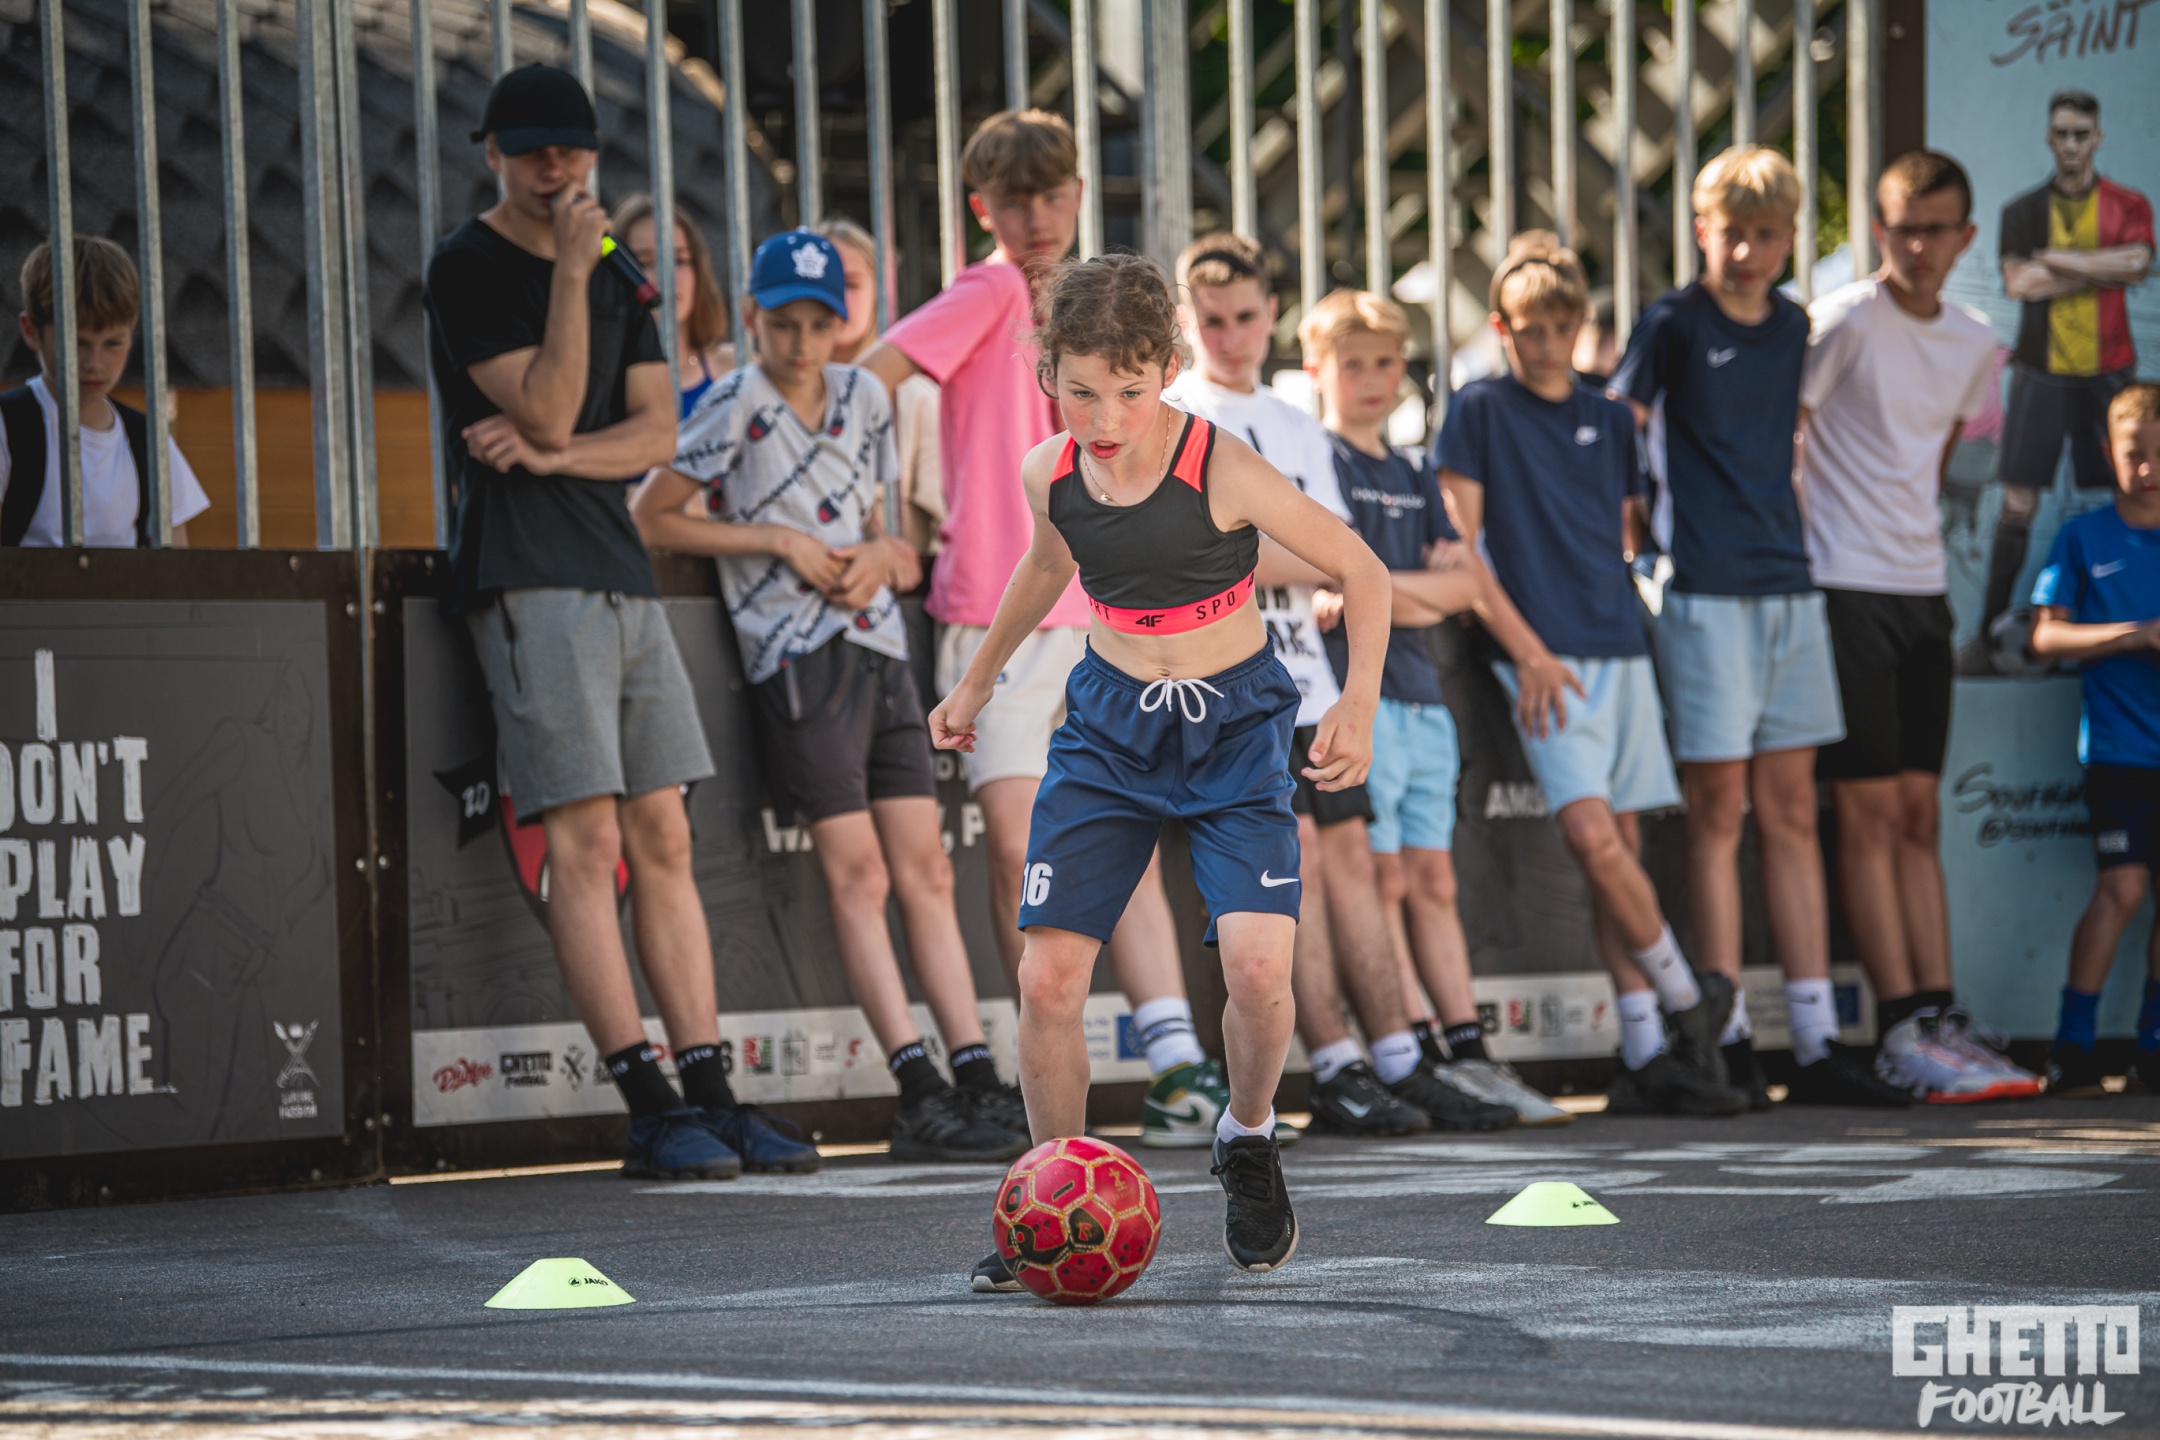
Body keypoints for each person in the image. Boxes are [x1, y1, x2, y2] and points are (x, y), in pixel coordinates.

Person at [931, 253, 1392, 1281]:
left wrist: (1356, 703)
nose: (1105, 418)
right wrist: (975, 683)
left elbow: (1361, 568)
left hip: (1233, 725)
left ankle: (1247, 1136)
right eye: (1081, 391)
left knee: (1258, 971)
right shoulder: (1047, 472)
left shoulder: (1218, 464)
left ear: (1168, 371)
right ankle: (1047, 1193)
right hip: (1109, 727)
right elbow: (1047, 563)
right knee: (1048, 979)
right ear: (1047, 374)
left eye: (1129, 392)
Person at [424, 64, 814, 1181]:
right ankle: (647, 1105)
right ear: (493, 153)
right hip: (525, 574)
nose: (557, 169)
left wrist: (554, 458)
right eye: (534, 151)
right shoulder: (468, 264)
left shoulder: (616, 266)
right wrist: (565, 279)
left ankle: (712, 1095)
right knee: (586, 843)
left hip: (615, 566)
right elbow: (547, 401)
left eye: (573, 149)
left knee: (666, 838)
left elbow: (655, 435)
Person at [854, 111, 1247, 1160]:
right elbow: (870, 378)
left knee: (1120, 837)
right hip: (998, 609)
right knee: (1024, 849)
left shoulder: (1092, 307)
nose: (1036, 217)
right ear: (980, 207)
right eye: (1014, 199)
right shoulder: (987, 291)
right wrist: (874, 521)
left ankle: (1178, 1065)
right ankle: (1067, 1084)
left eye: (1054, 194)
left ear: (1079, 195)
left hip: (1107, 609)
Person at [631, 229, 1028, 1162]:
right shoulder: (733, 401)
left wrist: (883, 558)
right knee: (860, 875)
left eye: (820, 321)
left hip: (879, 648)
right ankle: (916, 1087)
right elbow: (652, 513)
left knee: (929, 869)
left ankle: (975, 1074)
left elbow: (890, 534)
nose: (802, 341)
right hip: (794, 658)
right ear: (752, 318)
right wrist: (775, 540)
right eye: (783, 323)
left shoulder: (864, 395)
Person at [1435, 233, 1749, 1116]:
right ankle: (1690, 1001)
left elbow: (1621, 536)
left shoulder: (1611, 418)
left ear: (1583, 326)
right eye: (1529, 328)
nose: (1547, 344)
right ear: (1501, 328)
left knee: (1625, 853)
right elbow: (1461, 549)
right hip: (1541, 661)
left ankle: (1647, 1053)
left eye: (1562, 326)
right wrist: (1529, 653)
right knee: (1592, 839)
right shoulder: (1477, 409)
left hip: (1622, 647)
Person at [1164, 233, 1430, 1137]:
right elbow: (1223, 552)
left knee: (1353, 861)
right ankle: (1338, 1067)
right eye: (1212, 320)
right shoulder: (1175, 414)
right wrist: (1299, 555)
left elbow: (1337, 556)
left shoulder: (1296, 423)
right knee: (1301, 864)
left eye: (1246, 316)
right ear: (1186, 319)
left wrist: (1284, 551)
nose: (1231, 335)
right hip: (1229, 684)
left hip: (1313, 681)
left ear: (1272, 315)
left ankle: (1399, 1058)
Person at [1798, 152, 2035, 1105]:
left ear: (1966, 238)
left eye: (1937, 230)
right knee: (1864, 814)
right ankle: (1901, 1028)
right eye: (1903, 228)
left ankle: (1940, 1015)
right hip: (1841, 587)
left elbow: (1934, 461)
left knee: (1917, 813)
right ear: (1879, 228)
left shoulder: (1974, 339)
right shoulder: (1844, 320)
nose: (1919, 246)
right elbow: (1788, 434)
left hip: (1922, 592)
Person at [1608, 145, 1840, 1109]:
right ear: (1701, 230)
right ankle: (1728, 1033)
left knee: (1792, 815)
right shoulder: (1671, 320)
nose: (1747, 251)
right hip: (1700, 590)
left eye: (1767, 234)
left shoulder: (1796, 324)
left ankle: (1818, 1040)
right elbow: (1619, 429)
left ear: (1791, 238)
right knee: (1718, 817)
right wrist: (1632, 548)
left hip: (1792, 584)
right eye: (1730, 232)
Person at [1299, 287, 1524, 1131]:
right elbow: (1322, 585)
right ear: (1316, 368)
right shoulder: (1319, 460)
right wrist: (1414, 590)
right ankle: (1413, 1047)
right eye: (1351, 363)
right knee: (1382, 878)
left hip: (1426, 700)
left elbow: (1465, 588)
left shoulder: (1416, 470)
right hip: (1362, 702)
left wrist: (1371, 588)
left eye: (1385, 362)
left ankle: (1467, 1047)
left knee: (1432, 877)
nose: (1371, 378)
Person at [1964, 90, 2154, 675]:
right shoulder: (2023, 209)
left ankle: (2121, 628)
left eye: (2081, 134)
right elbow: (2020, 284)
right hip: (2040, 371)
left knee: (2126, 497)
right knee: (2018, 502)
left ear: (2097, 138)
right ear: (2049, 138)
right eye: (2062, 134)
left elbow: (2137, 264)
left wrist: (2057, 259)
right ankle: (1987, 638)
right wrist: (2103, 267)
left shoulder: (2127, 203)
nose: (2071, 145)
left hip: (2109, 371)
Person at [2031, 382, 2160, 1097]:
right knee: (2122, 888)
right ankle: (2072, 1047)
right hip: (2118, 754)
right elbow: (2045, 637)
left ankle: (2153, 1045)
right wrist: (2135, 636)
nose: (2148, 468)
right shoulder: (2083, 536)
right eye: (2134, 452)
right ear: (2108, 453)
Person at [4, 237, 210, 548]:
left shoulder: (151, 444)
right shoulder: (7, 428)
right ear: (31, 331)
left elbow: (176, 568)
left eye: (113, 343)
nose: (94, 363)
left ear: (132, 330)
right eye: (77, 344)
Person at [817, 218, 945, 559]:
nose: (834, 298)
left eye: (850, 284)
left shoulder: (916, 398)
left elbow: (946, 527)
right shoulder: (766, 390)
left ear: (880, 291)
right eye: (821, 283)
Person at [612, 194, 735, 418]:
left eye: (678, 260)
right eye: (644, 262)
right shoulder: (604, 380)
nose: (666, 276)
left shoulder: (734, 367)